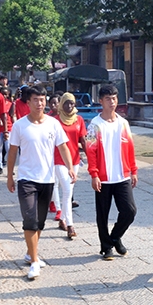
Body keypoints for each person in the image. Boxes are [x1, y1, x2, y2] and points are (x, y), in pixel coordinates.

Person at [6, 85, 75, 279]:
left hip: (47, 179)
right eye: (36, 100)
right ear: (28, 103)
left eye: (42, 100)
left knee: (40, 222)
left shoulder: (53, 124)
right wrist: (10, 176)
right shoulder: (20, 125)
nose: (40, 103)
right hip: (27, 179)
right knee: (30, 220)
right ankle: (35, 261)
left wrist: (70, 167)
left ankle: (30, 252)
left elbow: (63, 147)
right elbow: (12, 153)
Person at [85, 84, 138, 260]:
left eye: (114, 98)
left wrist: (133, 170)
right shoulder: (94, 125)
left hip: (122, 175)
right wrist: (94, 174)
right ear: (101, 101)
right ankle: (106, 247)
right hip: (103, 177)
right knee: (102, 214)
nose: (112, 102)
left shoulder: (123, 123)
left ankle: (115, 237)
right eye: (108, 99)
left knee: (130, 211)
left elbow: (130, 148)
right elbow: (90, 151)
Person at [53, 92, 87, 239]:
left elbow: (83, 140)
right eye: (66, 103)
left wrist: (91, 158)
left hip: (75, 160)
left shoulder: (79, 120)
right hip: (59, 160)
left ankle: (62, 219)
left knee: (69, 190)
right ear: (61, 104)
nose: (69, 106)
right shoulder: (55, 121)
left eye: (72, 103)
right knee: (67, 190)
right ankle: (70, 225)